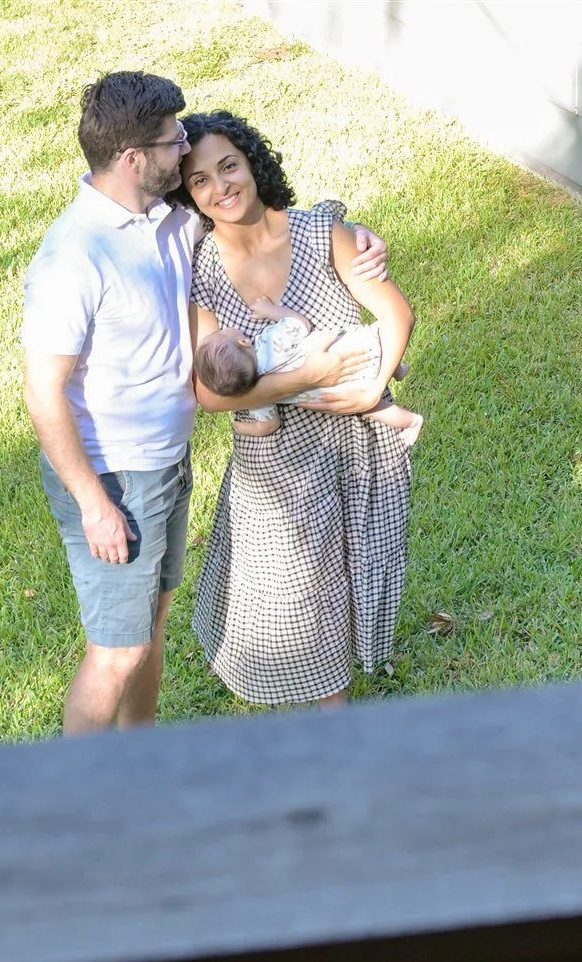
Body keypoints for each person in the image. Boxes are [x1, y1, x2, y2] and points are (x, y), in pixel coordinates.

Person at [20, 73, 386, 735]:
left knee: (150, 627)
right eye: (171, 141)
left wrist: (358, 237)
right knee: (116, 651)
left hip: (163, 465)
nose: (183, 147)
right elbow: (43, 395)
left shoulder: (161, 217)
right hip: (113, 477)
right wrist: (94, 503)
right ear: (134, 158)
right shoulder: (73, 257)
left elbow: (256, 215)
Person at [172, 110, 418, 708]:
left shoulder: (318, 231)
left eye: (228, 165)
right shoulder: (201, 277)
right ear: (189, 194)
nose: (220, 186)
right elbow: (210, 393)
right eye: (199, 179)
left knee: (354, 580)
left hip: (357, 446)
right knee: (295, 598)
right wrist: (305, 377)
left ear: (252, 162)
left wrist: (370, 388)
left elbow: (394, 314)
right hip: (276, 459)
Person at [193, 295, 422, 447]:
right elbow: (300, 323)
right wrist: (272, 310)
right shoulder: (271, 341)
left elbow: (268, 426)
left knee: (372, 409)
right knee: (377, 336)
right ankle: (395, 368)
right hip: (351, 350)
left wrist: (242, 427)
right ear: (243, 342)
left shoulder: (257, 397)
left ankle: (411, 421)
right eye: (222, 332)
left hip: (346, 390)